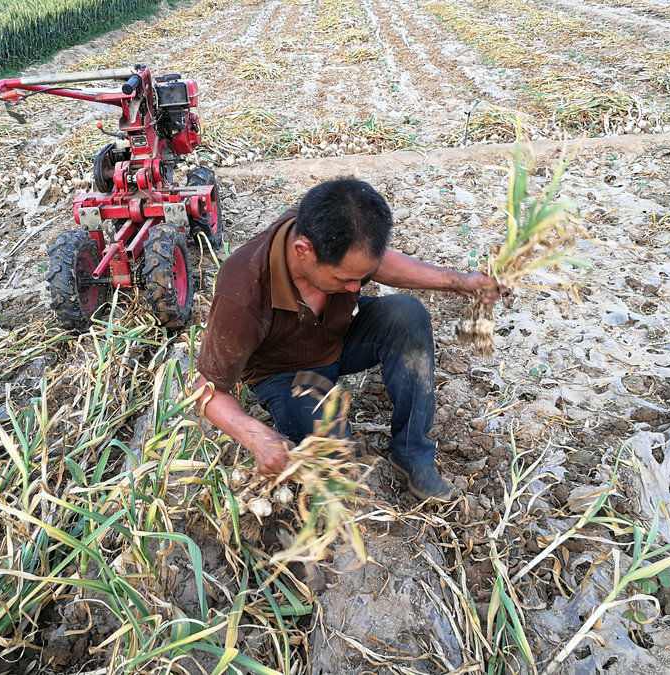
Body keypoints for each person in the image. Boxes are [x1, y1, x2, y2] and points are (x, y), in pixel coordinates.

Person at [194, 177, 500, 500]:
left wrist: (461, 282)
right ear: (303, 252)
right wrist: (254, 434)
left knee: (406, 315)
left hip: (339, 336)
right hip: (285, 371)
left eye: (361, 277)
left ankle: (411, 453)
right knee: (338, 461)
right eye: (344, 279)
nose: (356, 288)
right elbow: (206, 389)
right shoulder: (242, 289)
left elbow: (381, 265)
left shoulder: (338, 233)